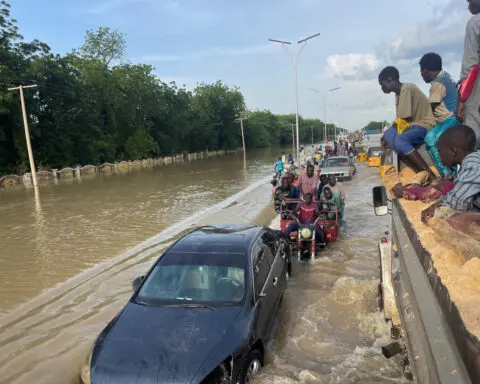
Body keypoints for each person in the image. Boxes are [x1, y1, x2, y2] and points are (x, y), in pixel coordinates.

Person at [378, 66, 437, 177]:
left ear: (390, 80)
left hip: (422, 124)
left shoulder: (407, 88)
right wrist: (386, 136)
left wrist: (390, 134)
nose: (382, 88)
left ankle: (429, 174)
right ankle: (415, 169)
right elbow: (400, 120)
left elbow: (404, 119)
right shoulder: (398, 93)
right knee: (388, 135)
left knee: (400, 140)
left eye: (382, 84)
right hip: (410, 126)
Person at [419, 53, 461, 177]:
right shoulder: (446, 76)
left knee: (431, 138)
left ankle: (446, 173)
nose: (421, 75)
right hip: (451, 118)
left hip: (450, 119)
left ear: (426, 71)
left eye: (421, 72)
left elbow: (429, 108)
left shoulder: (437, 83)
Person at [437, 124, 480, 213]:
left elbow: (456, 203)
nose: (439, 157)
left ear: (453, 150)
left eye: (440, 151)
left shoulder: (472, 166)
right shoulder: (471, 160)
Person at [458, 0, 480, 149]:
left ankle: (473, 170)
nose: (468, 6)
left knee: (473, 133)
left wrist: (462, 99)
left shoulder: (475, 23)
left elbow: (470, 66)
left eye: (471, 1)